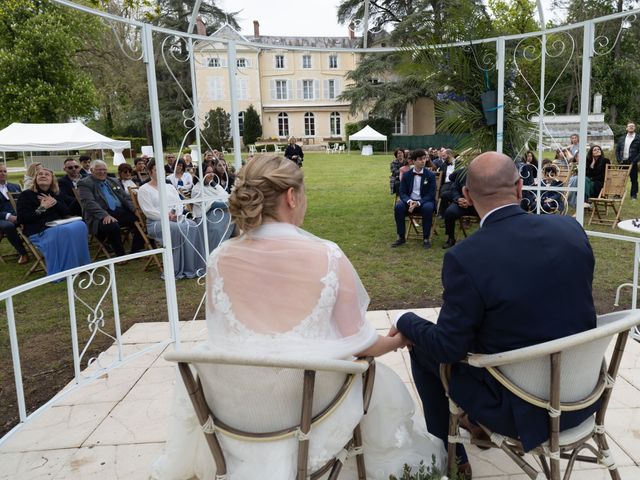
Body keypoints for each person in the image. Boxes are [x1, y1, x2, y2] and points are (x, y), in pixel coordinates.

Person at [150, 155, 445, 480]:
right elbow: (362, 344)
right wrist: (398, 339)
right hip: (313, 414)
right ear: (291, 196)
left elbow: (221, 337)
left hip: (238, 416)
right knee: (378, 383)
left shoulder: (220, 259)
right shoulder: (328, 256)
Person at [391, 152, 598, 479]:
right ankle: (476, 428)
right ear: (519, 189)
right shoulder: (570, 230)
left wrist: (406, 322)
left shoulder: (466, 257)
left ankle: (453, 456)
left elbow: (448, 348)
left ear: (468, 197)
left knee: (423, 348)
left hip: (522, 411)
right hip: (584, 398)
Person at [138, 159, 207, 279]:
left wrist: (175, 213)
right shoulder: (144, 189)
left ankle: (192, 265)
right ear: (150, 172)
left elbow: (179, 203)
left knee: (192, 224)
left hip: (176, 218)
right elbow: (148, 211)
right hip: (156, 222)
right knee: (176, 228)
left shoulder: (170, 187)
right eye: (156, 170)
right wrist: (166, 216)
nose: (159, 172)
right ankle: (176, 267)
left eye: (162, 170)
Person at [16, 168, 90, 276]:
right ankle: (67, 270)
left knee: (81, 225)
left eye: (47, 174)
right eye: (40, 174)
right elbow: (22, 219)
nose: (43, 175)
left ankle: (81, 265)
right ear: (35, 179)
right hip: (38, 230)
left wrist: (56, 203)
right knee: (67, 230)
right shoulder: (26, 195)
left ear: (52, 180)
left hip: (58, 226)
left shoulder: (55, 194)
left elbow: (66, 212)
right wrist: (42, 208)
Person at [77, 160, 144, 257]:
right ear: (91, 170)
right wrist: (105, 215)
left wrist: (135, 210)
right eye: (99, 170)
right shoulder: (85, 183)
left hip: (119, 211)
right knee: (112, 225)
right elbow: (89, 203)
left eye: (104, 170)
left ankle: (135, 251)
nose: (102, 172)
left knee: (142, 219)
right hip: (99, 215)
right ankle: (120, 255)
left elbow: (126, 197)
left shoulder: (113, 181)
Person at [391, 149, 436, 249]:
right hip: (409, 202)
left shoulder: (431, 175)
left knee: (428, 208)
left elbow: (431, 194)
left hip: (424, 202)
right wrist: (410, 201)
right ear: (414, 161)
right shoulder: (407, 175)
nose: (423, 161)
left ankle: (426, 238)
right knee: (398, 207)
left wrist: (418, 203)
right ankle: (401, 237)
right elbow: (402, 192)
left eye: (424, 159)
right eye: (420, 159)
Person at [190, 161, 233, 252]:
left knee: (236, 217)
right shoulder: (197, 189)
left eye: (212, 172)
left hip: (220, 212)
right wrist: (231, 203)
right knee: (231, 217)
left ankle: (230, 248)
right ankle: (217, 250)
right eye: (208, 173)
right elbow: (212, 204)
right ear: (201, 174)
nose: (211, 174)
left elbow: (225, 195)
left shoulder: (213, 186)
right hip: (205, 216)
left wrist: (215, 184)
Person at [442, 167, 476, 249]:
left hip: (478, 204)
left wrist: (471, 201)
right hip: (461, 202)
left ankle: (484, 239)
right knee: (449, 212)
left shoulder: (486, 172)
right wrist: (458, 199)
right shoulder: (462, 171)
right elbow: (454, 188)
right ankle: (450, 238)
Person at [0, 165, 28, 264]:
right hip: (2, 218)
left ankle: (40, 248)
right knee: (9, 226)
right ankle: (23, 253)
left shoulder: (15, 186)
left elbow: (22, 203)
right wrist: (8, 216)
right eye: (0, 171)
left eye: (4, 171)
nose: (2, 173)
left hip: (17, 215)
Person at [616, 122, 640, 200]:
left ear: (635, 128)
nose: (631, 127)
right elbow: (617, 150)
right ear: (626, 128)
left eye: (633, 126)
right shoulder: (622, 138)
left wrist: (634, 162)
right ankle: (618, 194)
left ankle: (633, 195)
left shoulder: (638, 138)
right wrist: (619, 160)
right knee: (620, 179)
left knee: (634, 180)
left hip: (633, 162)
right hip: (623, 162)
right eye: (629, 126)